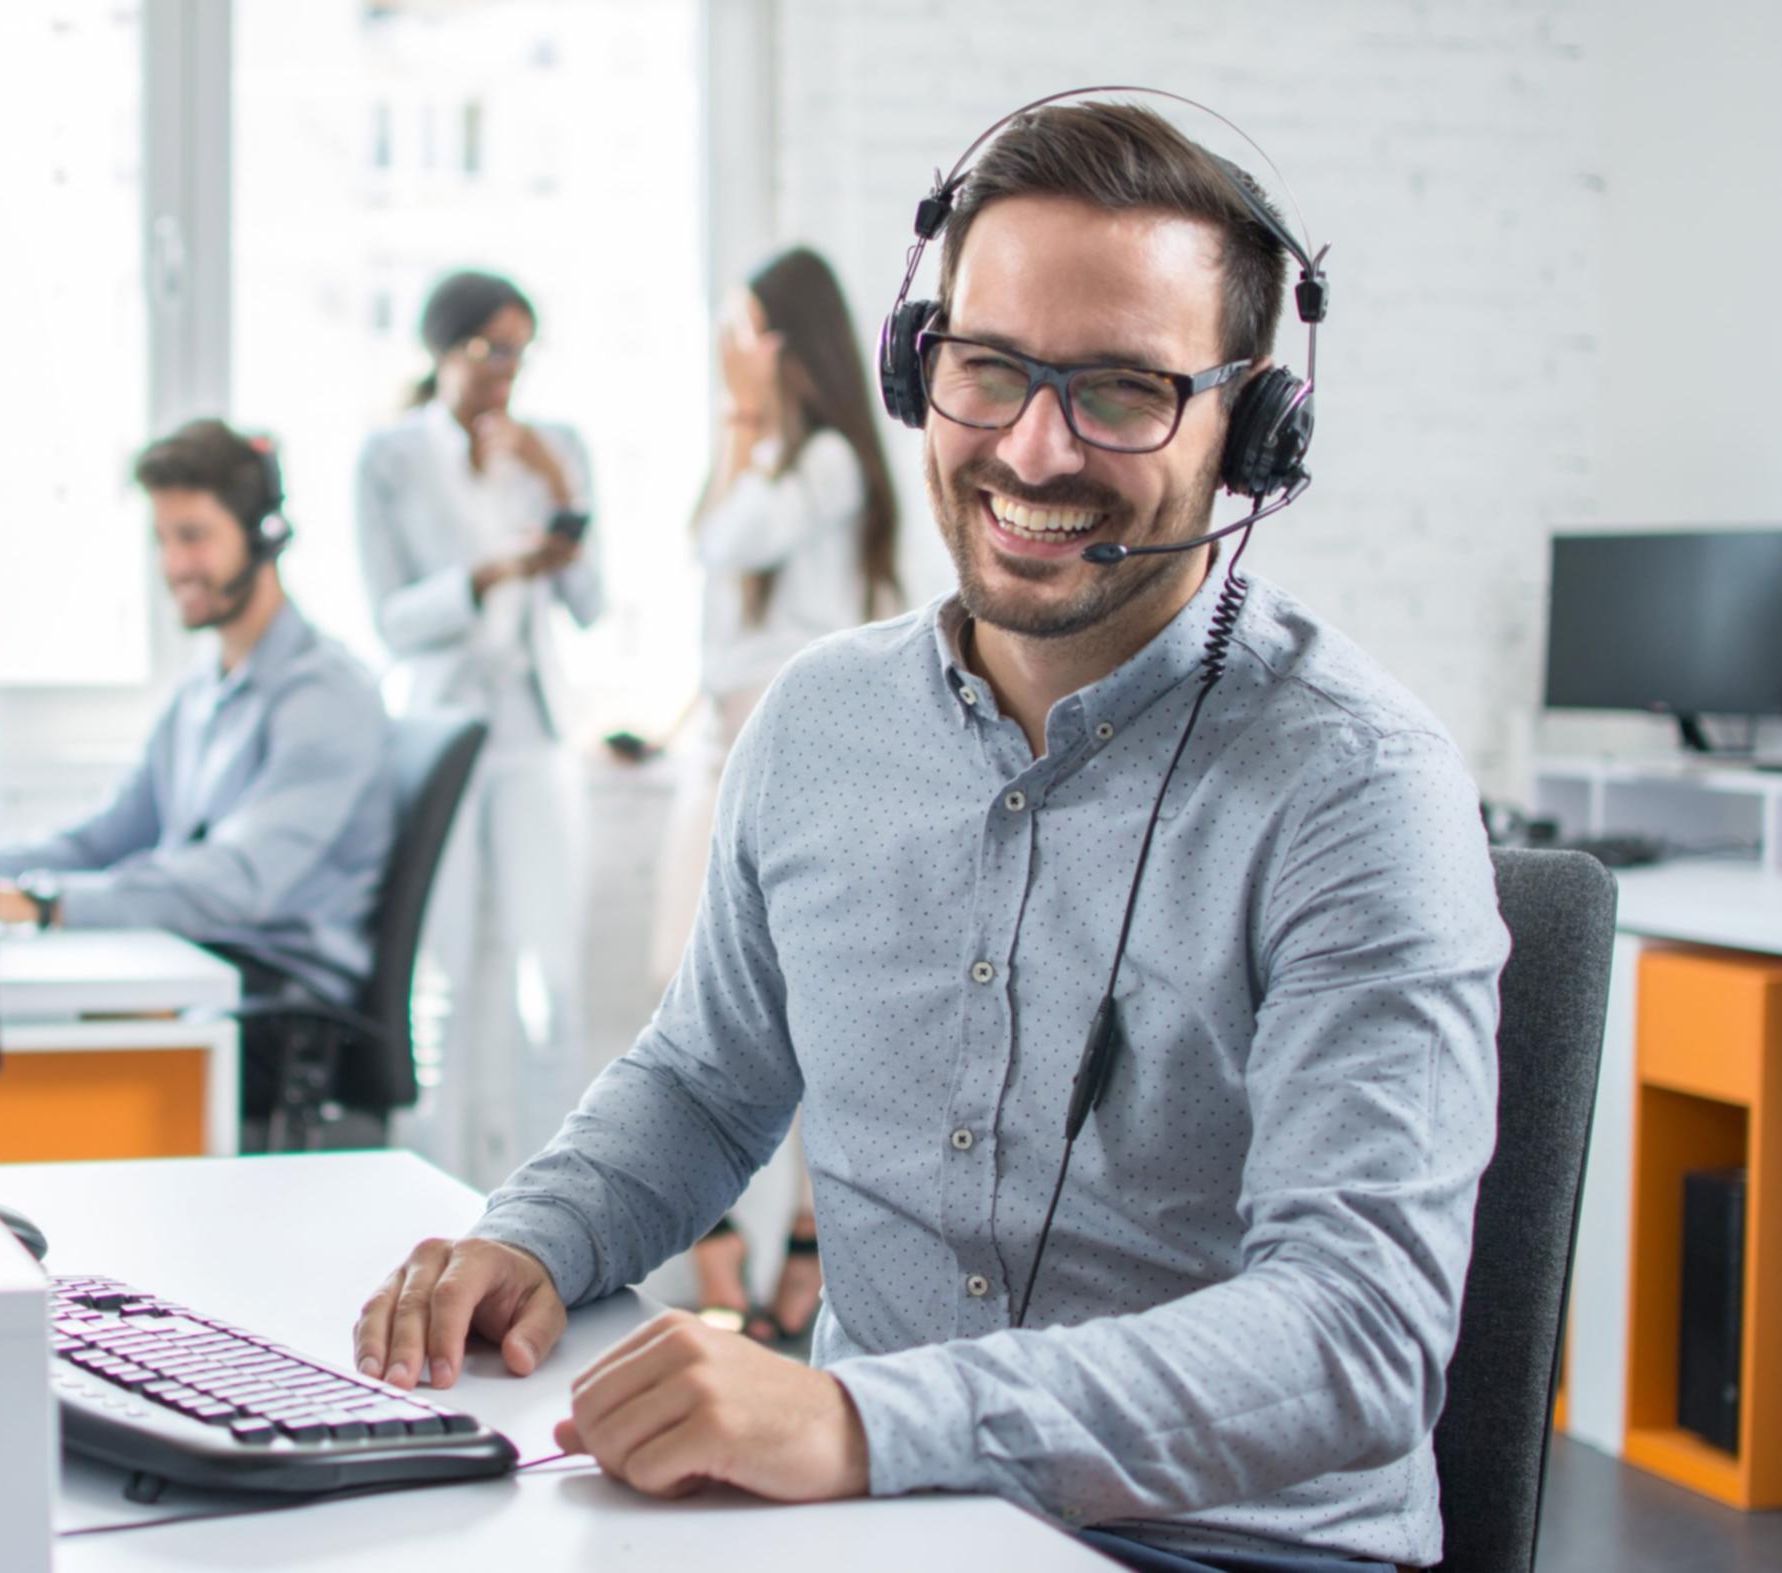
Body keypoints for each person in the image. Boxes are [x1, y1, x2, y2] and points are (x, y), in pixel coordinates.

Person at [351, 99, 1506, 1573]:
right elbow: (704, 1083)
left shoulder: (1357, 787)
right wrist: (533, 1237)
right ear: (917, 367)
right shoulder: (818, 722)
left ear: (1251, 430)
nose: (1035, 446)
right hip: (875, 1525)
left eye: (1123, 390)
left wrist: (861, 1421)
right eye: (989, 368)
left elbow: (1360, 1334)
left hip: (1223, 1547)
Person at [0, 419, 393, 1127]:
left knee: (33, 1061)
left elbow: (236, 882)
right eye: (163, 538)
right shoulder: (201, 691)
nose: (174, 564)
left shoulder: (326, 697)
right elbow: (102, 840)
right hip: (198, 974)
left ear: (265, 534)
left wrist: (45, 904)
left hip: (279, 1012)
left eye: (194, 536)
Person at [651, 246, 901, 1346]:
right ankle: (718, 1245)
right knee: (682, 990)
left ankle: (801, 1239)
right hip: (717, 746)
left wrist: (746, 421)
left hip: (797, 756)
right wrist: (739, 426)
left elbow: (731, 538)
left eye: (747, 332)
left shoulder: (831, 463)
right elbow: (709, 552)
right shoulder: (765, 457)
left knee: (804, 1005)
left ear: (791, 344)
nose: (733, 354)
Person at [354, 270, 604, 1190]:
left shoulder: (555, 447)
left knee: (550, 987)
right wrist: (488, 574)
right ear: (442, 350)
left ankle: (558, 1208)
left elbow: (590, 601)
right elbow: (392, 620)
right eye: (490, 350)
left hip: (532, 732)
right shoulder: (390, 457)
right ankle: (428, 1199)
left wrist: (557, 485)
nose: (507, 370)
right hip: (441, 733)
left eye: (520, 352)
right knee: (441, 983)